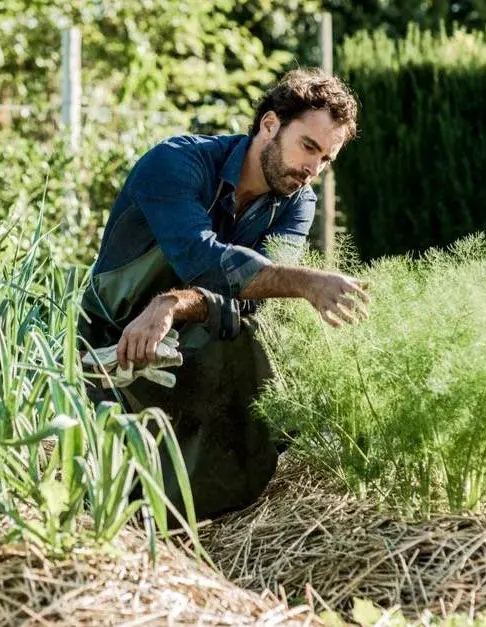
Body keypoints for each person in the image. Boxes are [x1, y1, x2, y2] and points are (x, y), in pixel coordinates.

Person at [79, 68, 370, 521]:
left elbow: (253, 298)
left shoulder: (297, 202)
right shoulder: (176, 163)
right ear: (270, 125)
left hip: (195, 335)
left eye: (326, 159)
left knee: (265, 333)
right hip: (110, 339)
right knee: (106, 494)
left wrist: (172, 305)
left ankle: (212, 512)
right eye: (308, 147)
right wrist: (307, 282)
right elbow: (201, 258)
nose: (312, 169)